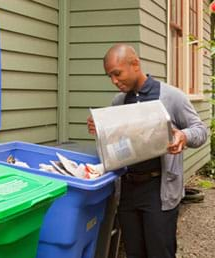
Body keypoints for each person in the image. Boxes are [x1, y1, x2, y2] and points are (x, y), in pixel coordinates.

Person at [87, 44, 208, 258]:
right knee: (134, 253)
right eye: (110, 76)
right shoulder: (119, 102)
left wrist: (183, 136)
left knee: (160, 252)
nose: (114, 81)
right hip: (128, 188)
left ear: (135, 64)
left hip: (159, 189)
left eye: (117, 73)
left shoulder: (171, 97)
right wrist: (101, 131)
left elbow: (200, 130)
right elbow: (117, 144)